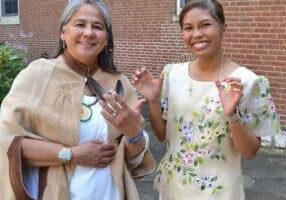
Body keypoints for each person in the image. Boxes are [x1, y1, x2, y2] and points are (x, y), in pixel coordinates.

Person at [0, 0, 155, 199]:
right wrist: (70, 154)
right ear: (63, 33)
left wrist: (134, 134)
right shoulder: (37, 76)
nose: (89, 33)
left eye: (97, 27)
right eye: (80, 24)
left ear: (106, 39)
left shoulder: (120, 83)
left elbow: (134, 161)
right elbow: (6, 142)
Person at [131, 0, 281, 199]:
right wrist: (153, 101)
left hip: (220, 191)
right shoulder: (172, 74)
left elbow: (250, 152)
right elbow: (164, 136)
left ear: (223, 28)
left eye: (205, 25)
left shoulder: (248, 82)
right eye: (188, 28)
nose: (196, 34)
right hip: (174, 187)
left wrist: (232, 115)